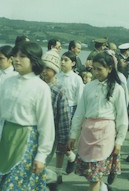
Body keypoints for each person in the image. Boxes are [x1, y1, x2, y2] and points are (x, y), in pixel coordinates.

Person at [68, 52, 128, 191]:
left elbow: (122, 118)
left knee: (94, 175)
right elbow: (80, 113)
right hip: (88, 132)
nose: (96, 72)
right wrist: (73, 134)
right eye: (94, 68)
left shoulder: (117, 89)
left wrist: (119, 141)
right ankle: (103, 187)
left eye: (100, 69)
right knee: (91, 173)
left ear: (110, 68)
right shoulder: (88, 87)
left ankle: (100, 186)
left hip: (105, 134)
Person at [0, 41, 54, 190]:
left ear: (34, 60)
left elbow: (46, 124)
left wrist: (41, 156)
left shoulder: (40, 87)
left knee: (15, 186)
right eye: (15, 56)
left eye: (22, 56)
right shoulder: (8, 81)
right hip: (5, 137)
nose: (16, 59)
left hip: (25, 141)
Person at [41, 50, 70, 186]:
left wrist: (63, 140)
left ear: (55, 70)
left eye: (48, 68)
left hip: (49, 133)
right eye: (43, 67)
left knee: (42, 162)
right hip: (32, 131)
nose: (44, 71)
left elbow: (64, 117)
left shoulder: (59, 89)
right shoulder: (37, 84)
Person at [57, 51, 84, 174]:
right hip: (57, 110)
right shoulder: (58, 76)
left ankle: (71, 158)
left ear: (73, 63)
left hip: (70, 110)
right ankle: (70, 158)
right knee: (57, 140)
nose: (62, 62)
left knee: (64, 140)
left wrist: (77, 119)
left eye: (66, 60)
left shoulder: (77, 79)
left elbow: (80, 101)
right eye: (61, 59)